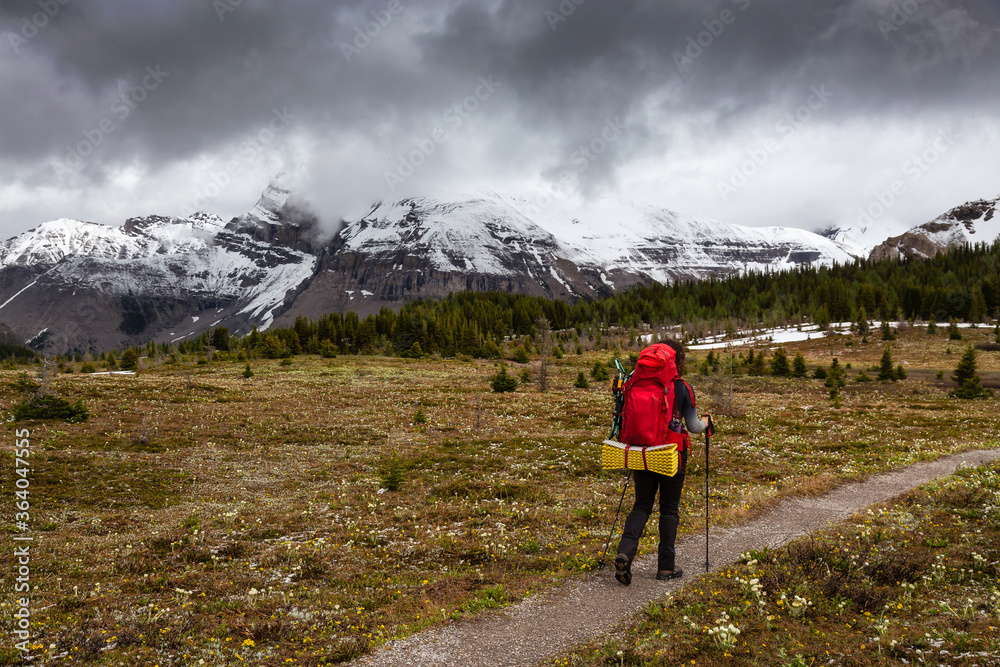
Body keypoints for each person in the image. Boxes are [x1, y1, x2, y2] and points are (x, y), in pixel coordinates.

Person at [614, 339, 709, 585]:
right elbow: (694, 427)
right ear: (676, 360)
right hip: (671, 454)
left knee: (641, 506)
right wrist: (708, 422)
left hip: (642, 450)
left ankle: (625, 553)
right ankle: (666, 568)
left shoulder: (635, 383)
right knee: (669, 510)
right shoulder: (683, 387)